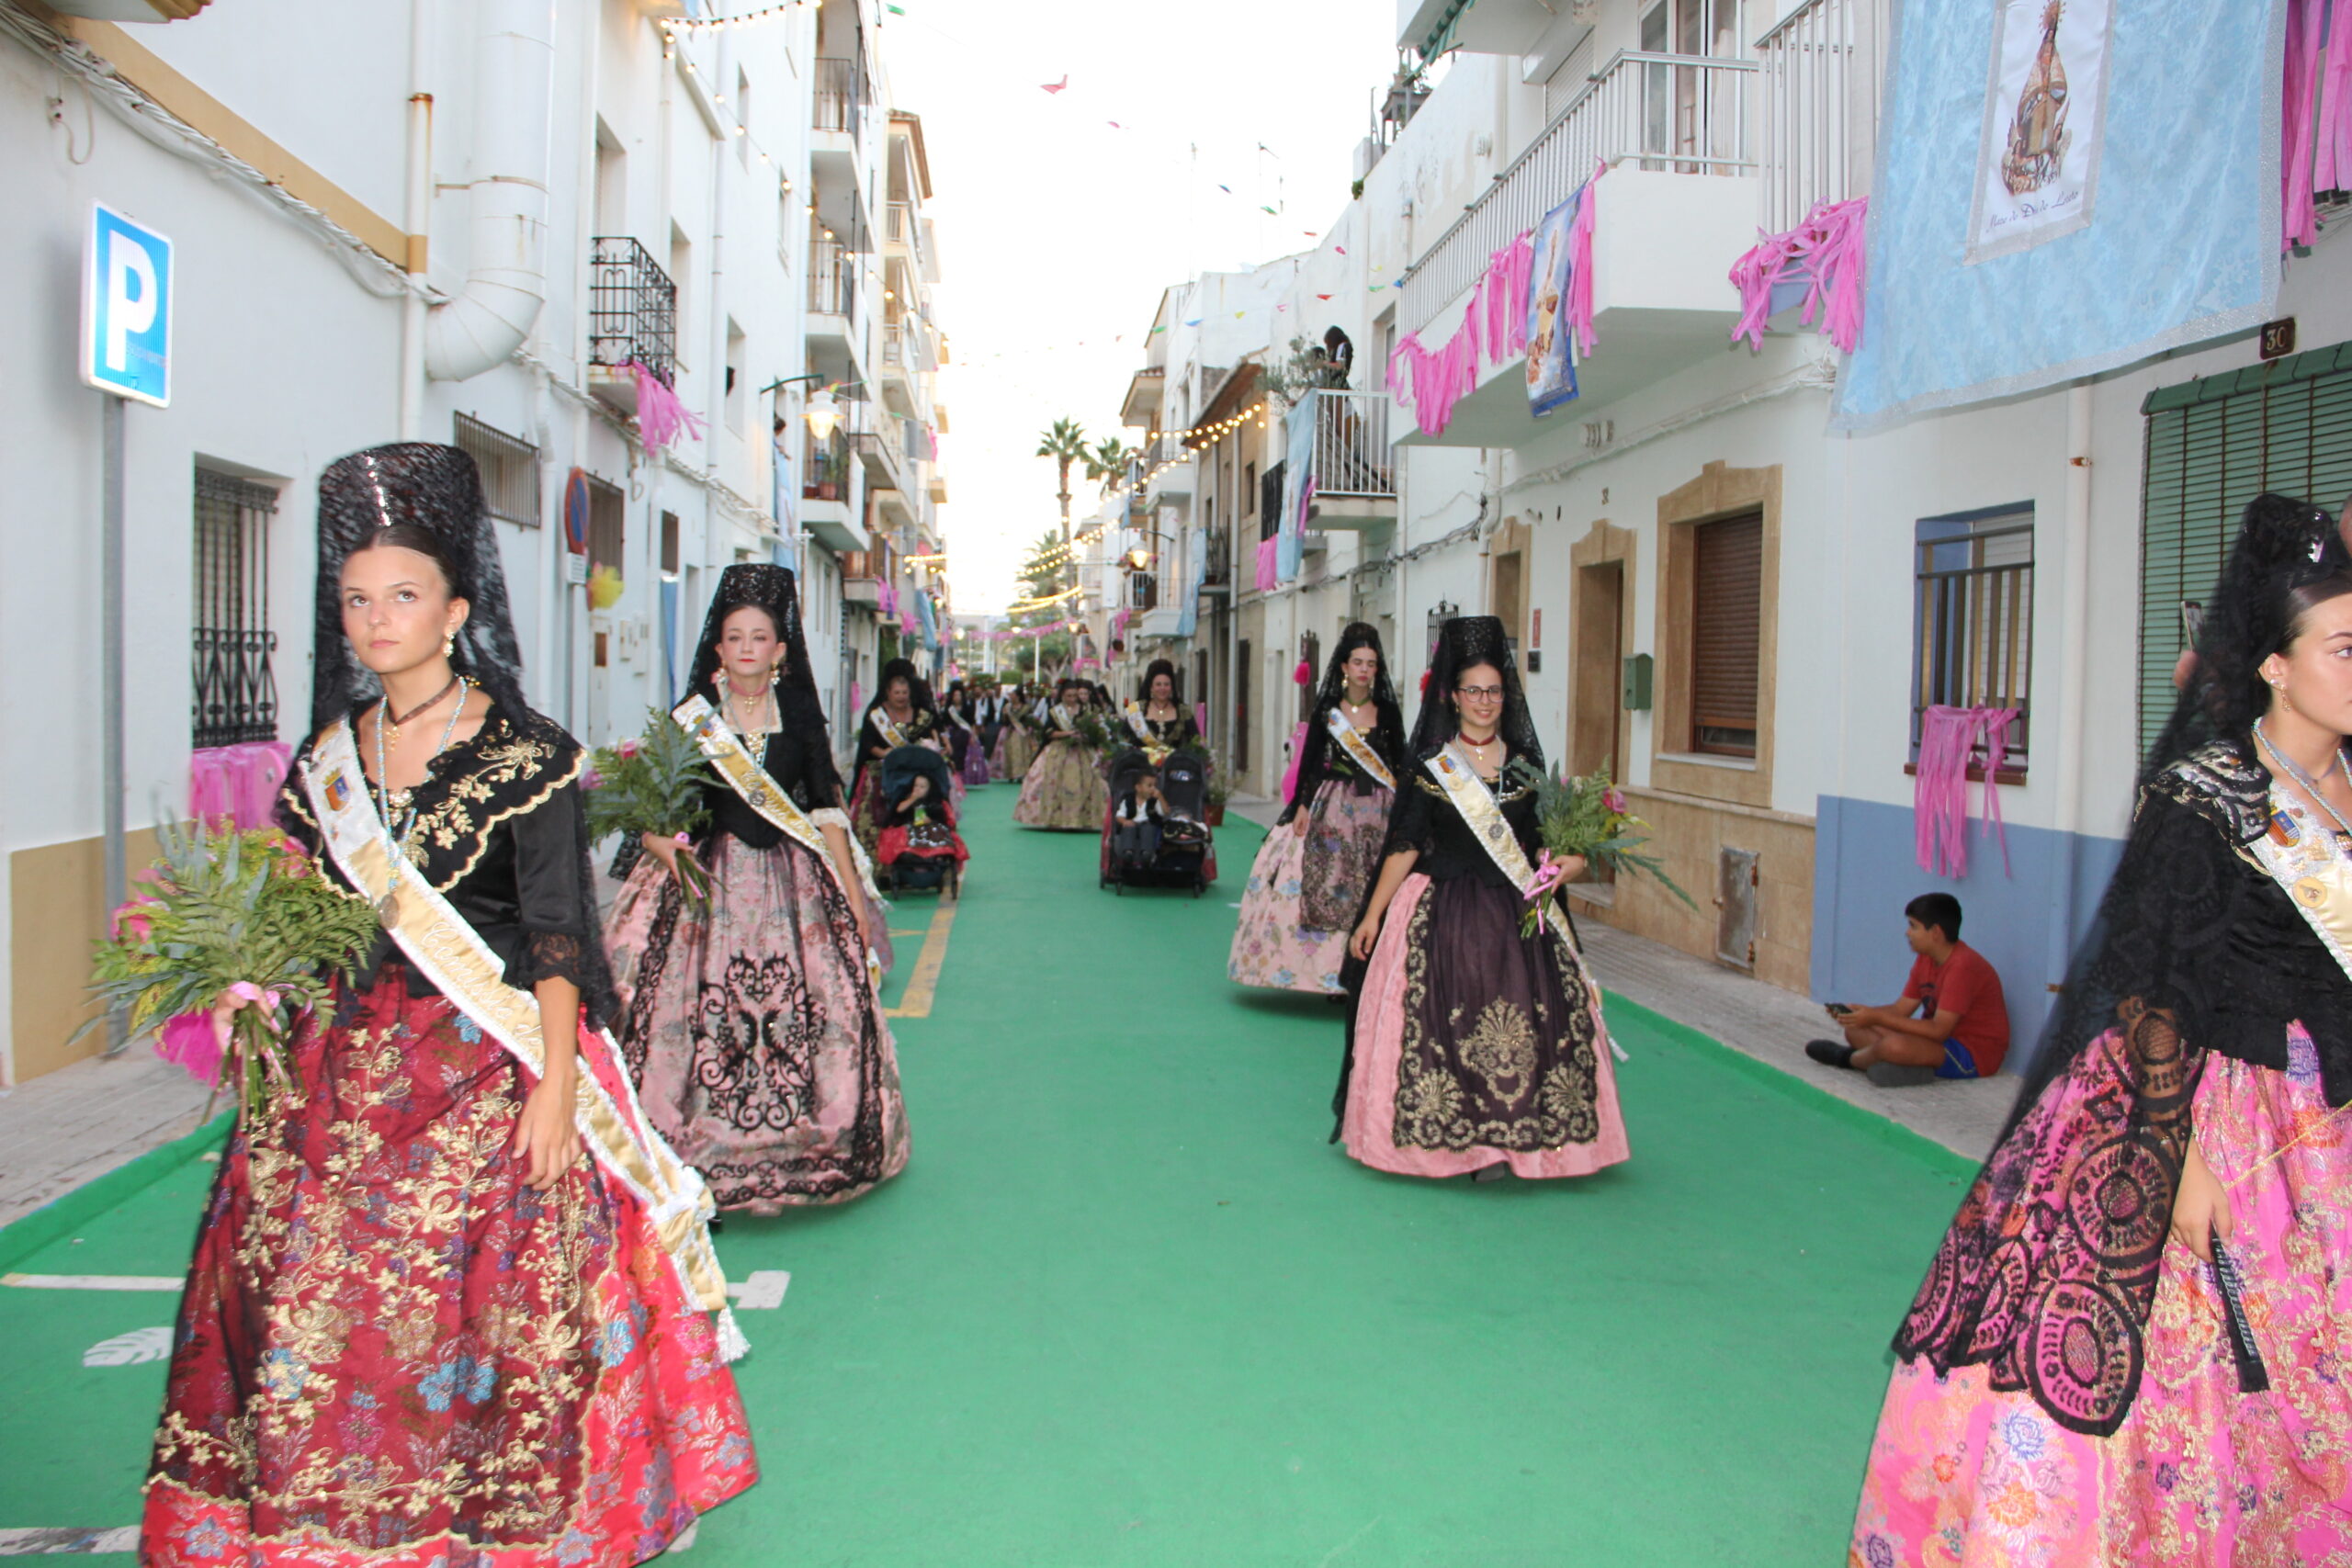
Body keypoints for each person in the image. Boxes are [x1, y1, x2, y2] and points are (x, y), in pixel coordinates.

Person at [143, 444, 755, 1564]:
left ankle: (490, 1516)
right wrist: (250, 992)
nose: (379, 620)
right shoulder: (326, 761)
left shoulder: (527, 754)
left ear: (457, 608)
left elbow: (560, 927)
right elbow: (301, 910)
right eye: (357, 600)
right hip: (336, 1076)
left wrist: (559, 1084)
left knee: (478, 1309)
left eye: (404, 596)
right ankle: (330, 1514)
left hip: (490, 1065)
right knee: (314, 1303)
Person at [1849, 494, 2352, 1565]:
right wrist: (2173, 1162)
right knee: (2190, 1377)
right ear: (2273, 662)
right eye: (2346, 646)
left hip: (2329, 1119)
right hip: (2214, 1117)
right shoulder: (2202, 794)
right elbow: (2146, 985)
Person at [605, 564, 910, 1213]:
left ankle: (803, 1138)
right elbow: (659, 814)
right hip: (704, 887)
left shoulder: (798, 711)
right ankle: (685, 1140)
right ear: (718, 649)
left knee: (805, 1011)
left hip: (791, 884)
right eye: (734, 636)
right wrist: (663, 845)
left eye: (759, 636)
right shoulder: (693, 717)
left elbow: (825, 808)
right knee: (694, 1014)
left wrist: (854, 911)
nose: (746, 647)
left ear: (780, 649)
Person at [1333, 615, 1631, 1181]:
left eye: (1494, 690)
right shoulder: (1431, 765)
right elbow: (1404, 845)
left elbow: (1546, 843)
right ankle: (1457, 1145)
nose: (1484, 701)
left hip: (1518, 915)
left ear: (1506, 695)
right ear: (1453, 695)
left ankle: (1520, 1143)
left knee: (1529, 1023)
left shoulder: (1526, 767)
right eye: (1473, 690)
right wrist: (1371, 915)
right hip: (1440, 912)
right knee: (1442, 1021)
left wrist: (1574, 862)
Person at [1230, 624, 1406, 995]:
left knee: (1373, 883)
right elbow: (1312, 760)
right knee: (1329, 881)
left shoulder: (1387, 711)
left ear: (1377, 669)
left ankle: (1372, 971)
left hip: (1379, 809)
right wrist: (1304, 804)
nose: (1363, 669)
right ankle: (1330, 974)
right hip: (1334, 808)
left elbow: (1399, 761)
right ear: (1344, 666)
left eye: (1370, 663)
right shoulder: (1328, 710)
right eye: (1357, 662)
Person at [1805, 893, 2011, 1086]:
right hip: (1936, 1042)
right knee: (1855, 1030)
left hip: (1970, 1053)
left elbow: (1939, 1030)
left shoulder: (1963, 966)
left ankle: (1847, 1059)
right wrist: (1860, 1015)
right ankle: (1908, 1069)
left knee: (1895, 1046)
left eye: (1913, 926)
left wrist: (1876, 1019)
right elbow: (1900, 1010)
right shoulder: (1926, 958)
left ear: (1935, 933)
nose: (1907, 932)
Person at [850, 659, 937, 859]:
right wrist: (886, 754)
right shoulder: (876, 715)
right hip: (880, 774)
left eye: (904, 692)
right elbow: (868, 744)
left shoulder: (922, 714)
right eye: (896, 692)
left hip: (914, 774)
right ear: (888, 691)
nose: (901, 696)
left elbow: (934, 736)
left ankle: (917, 858)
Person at [1013, 677, 1108, 831]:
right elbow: (1048, 732)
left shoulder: (1086, 710)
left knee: (1090, 782)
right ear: (1062, 696)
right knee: (1048, 781)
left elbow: (1095, 730)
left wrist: (1087, 735)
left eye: (1074, 696)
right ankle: (1054, 817)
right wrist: (1068, 733)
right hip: (1059, 750)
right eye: (1068, 696)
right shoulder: (1055, 711)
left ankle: (1082, 818)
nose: (1072, 699)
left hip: (1082, 751)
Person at [1118, 659, 1199, 759]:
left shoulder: (1183, 711)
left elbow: (1196, 743)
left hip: (1175, 769)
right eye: (1158, 684)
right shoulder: (1136, 711)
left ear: (1172, 687)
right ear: (1151, 687)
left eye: (1166, 684)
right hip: (1141, 769)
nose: (1162, 689)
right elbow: (1123, 742)